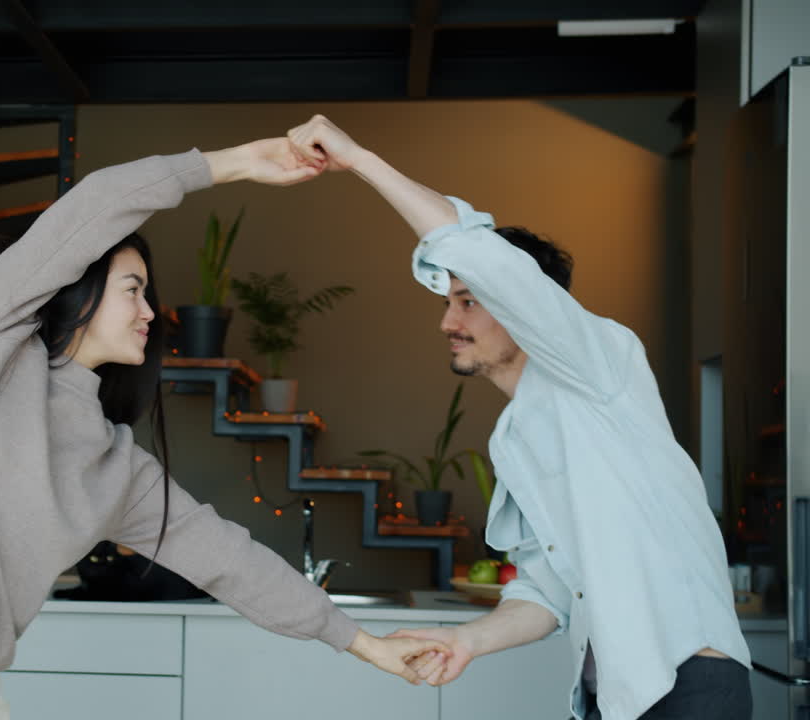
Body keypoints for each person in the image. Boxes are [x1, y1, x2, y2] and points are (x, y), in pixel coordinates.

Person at [0, 137, 447, 719]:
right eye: (133, 288)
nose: (151, 310)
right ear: (80, 290)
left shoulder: (116, 467)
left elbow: (231, 562)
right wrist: (239, 161)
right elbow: (97, 202)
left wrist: (362, 642)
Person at [284, 115, 752, 720]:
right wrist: (466, 641)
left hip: (691, 684)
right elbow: (548, 591)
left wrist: (360, 159)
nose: (448, 324)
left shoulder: (602, 366)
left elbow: (479, 254)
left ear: (521, 302)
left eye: (468, 302)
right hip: (618, 699)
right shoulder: (516, 434)